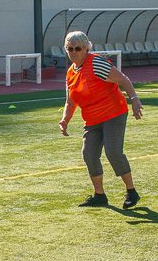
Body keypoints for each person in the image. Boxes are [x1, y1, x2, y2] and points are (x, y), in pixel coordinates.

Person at [59, 31, 143, 209]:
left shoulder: (96, 63)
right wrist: (65, 120)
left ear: (86, 48)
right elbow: (71, 101)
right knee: (88, 154)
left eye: (78, 48)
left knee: (113, 152)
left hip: (113, 113)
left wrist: (134, 100)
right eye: (69, 48)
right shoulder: (70, 73)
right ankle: (100, 195)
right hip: (92, 119)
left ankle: (131, 191)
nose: (73, 52)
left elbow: (123, 79)